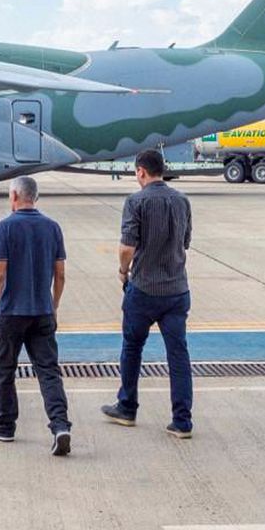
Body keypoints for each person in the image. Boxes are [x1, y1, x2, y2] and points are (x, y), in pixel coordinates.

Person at [101, 149, 195, 439]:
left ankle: (127, 406)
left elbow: (127, 246)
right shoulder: (182, 200)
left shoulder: (136, 201)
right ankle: (182, 421)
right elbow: (186, 242)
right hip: (177, 289)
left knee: (132, 347)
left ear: (141, 171)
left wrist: (123, 270)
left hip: (143, 288)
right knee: (178, 354)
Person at [0, 176, 72, 456]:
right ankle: (60, 425)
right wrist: (53, 305)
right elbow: (60, 274)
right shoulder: (52, 227)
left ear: (14, 196)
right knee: (48, 371)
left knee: (4, 370)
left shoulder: (5, 228)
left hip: (12, 312)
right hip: (42, 311)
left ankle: (5, 426)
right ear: (35, 197)